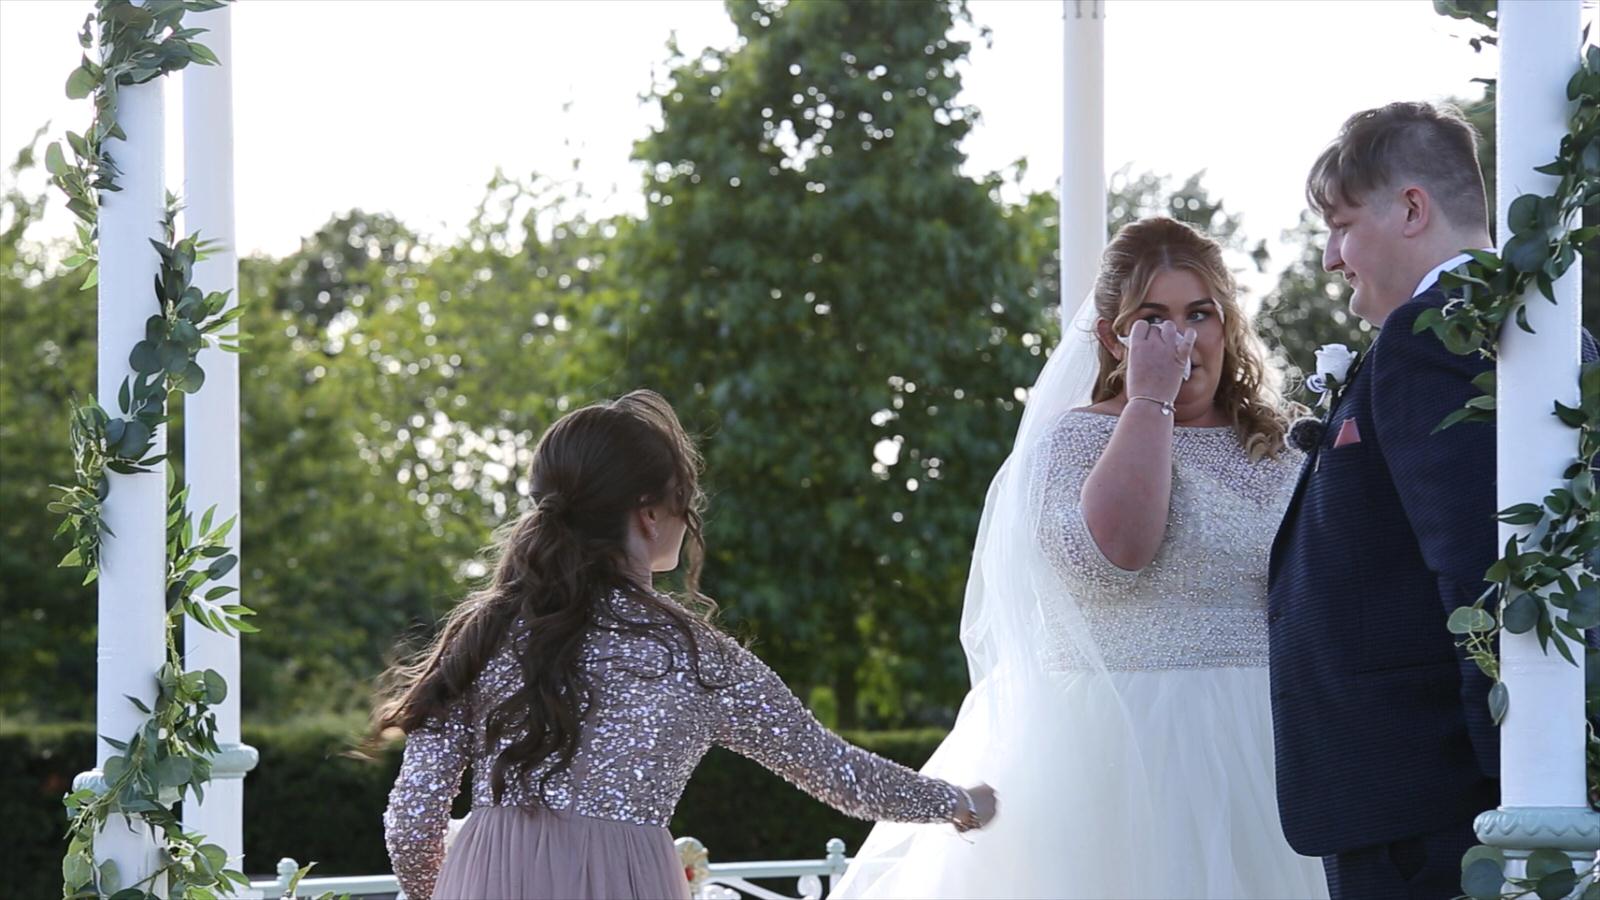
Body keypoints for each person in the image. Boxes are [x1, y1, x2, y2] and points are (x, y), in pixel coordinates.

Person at [833, 217, 1327, 899]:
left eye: (1200, 314)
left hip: (1268, 744)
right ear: (1111, 336)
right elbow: (1115, 556)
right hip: (1114, 757)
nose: (1182, 339)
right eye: (1153, 318)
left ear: (1227, 324)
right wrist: (1149, 399)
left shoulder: (1285, 446)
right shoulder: (1073, 443)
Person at [373, 389, 996, 900]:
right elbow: (839, 774)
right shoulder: (694, 655)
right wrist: (958, 802)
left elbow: (411, 822)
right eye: (684, 500)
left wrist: (449, 891)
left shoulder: (484, 634)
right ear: (649, 514)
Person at [1269, 100, 1596, 900]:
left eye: (1341, 225)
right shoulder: (1552, 333)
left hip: (1432, 813)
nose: (1329, 260)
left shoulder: (1433, 336)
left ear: (1413, 207)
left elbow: (1482, 564)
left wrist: (1520, 786)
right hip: (1435, 801)